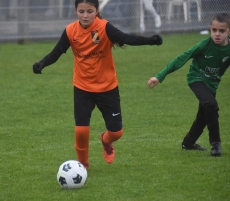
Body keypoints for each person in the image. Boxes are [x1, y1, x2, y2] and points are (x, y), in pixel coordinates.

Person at [33, 0, 163, 169]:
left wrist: (150, 40)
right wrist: (41, 63)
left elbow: (125, 38)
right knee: (81, 131)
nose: (85, 15)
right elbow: (57, 52)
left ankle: (106, 140)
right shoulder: (70, 30)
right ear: (75, 11)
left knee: (116, 132)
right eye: (81, 11)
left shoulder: (104, 28)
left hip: (107, 88)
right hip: (82, 88)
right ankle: (82, 166)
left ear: (96, 11)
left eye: (89, 11)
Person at [147, 13, 230, 157]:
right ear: (210, 28)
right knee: (211, 105)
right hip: (196, 78)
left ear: (229, 31)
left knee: (204, 115)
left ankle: (188, 143)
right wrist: (159, 76)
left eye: (221, 31)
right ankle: (215, 144)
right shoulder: (204, 45)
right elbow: (182, 58)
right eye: (214, 30)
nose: (217, 34)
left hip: (212, 83)